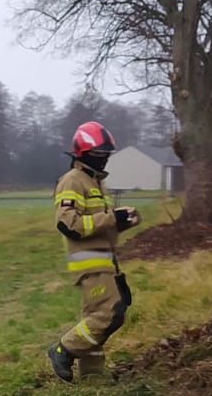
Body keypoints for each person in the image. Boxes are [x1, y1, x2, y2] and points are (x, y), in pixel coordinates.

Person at [47, 122, 141, 382]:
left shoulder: (94, 182)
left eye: (106, 155)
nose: (104, 160)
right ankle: (62, 349)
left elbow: (99, 224)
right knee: (108, 313)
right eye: (99, 155)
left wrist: (122, 222)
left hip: (105, 260)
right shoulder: (72, 181)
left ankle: (92, 377)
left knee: (99, 317)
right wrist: (112, 219)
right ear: (82, 153)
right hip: (89, 263)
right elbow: (69, 225)